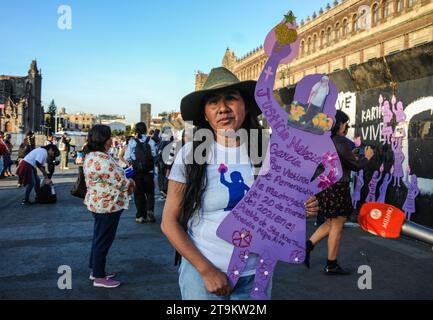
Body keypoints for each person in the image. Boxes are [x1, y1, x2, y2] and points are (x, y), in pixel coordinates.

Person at [161, 67, 319, 300]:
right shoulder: (191, 155)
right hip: (202, 277)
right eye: (213, 102)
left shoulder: (270, 152)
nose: (223, 108)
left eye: (231, 99)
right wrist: (206, 270)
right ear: (205, 114)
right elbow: (168, 222)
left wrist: (301, 209)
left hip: (255, 276)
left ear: (245, 106)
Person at [305, 110, 374, 275]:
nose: (347, 127)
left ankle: (307, 247)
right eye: (345, 124)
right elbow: (355, 166)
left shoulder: (323, 140)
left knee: (331, 222)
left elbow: (338, 160)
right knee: (337, 224)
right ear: (338, 124)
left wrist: (352, 155)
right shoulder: (340, 141)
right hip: (337, 187)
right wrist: (368, 157)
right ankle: (331, 264)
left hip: (325, 186)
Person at [83, 125, 135, 288]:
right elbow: (120, 181)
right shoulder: (102, 159)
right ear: (104, 140)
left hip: (98, 203)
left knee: (99, 237)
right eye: (109, 136)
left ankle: (96, 269)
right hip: (108, 205)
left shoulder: (92, 156)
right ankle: (99, 276)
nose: (112, 139)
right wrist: (131, 182)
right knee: (103, 240)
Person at [125, 122, 157, 223]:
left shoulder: (132, 142)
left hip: (137, 172)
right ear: (145, 130)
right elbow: (154, 154)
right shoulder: (150, 141)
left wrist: (133, 162)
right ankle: (150, 210)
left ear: (136, 130)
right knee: (150, 192)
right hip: (149, 171)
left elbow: (127, 157)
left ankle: (140, 215)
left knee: (138, 193)